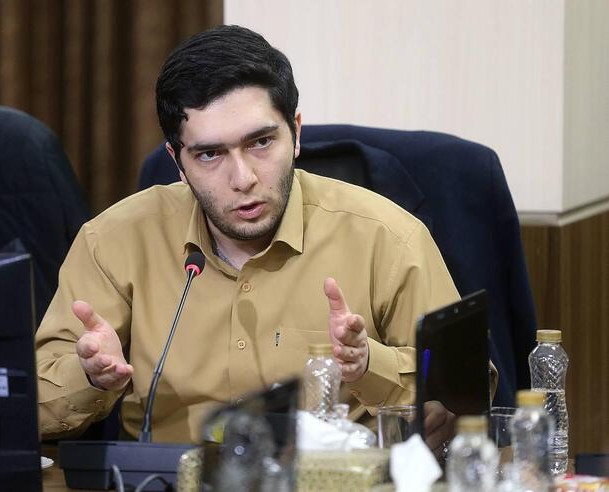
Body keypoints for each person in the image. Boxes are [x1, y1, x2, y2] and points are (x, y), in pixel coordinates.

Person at [36, 25, 469, 452]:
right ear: (178, 162)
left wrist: (369, 365)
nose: (242, 179)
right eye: (210, 154)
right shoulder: (113, 240)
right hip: (166, 479)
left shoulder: (388, 238)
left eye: (260, 142)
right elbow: (30, 407)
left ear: (295, 133)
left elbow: (466, 394)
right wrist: (89, 375)